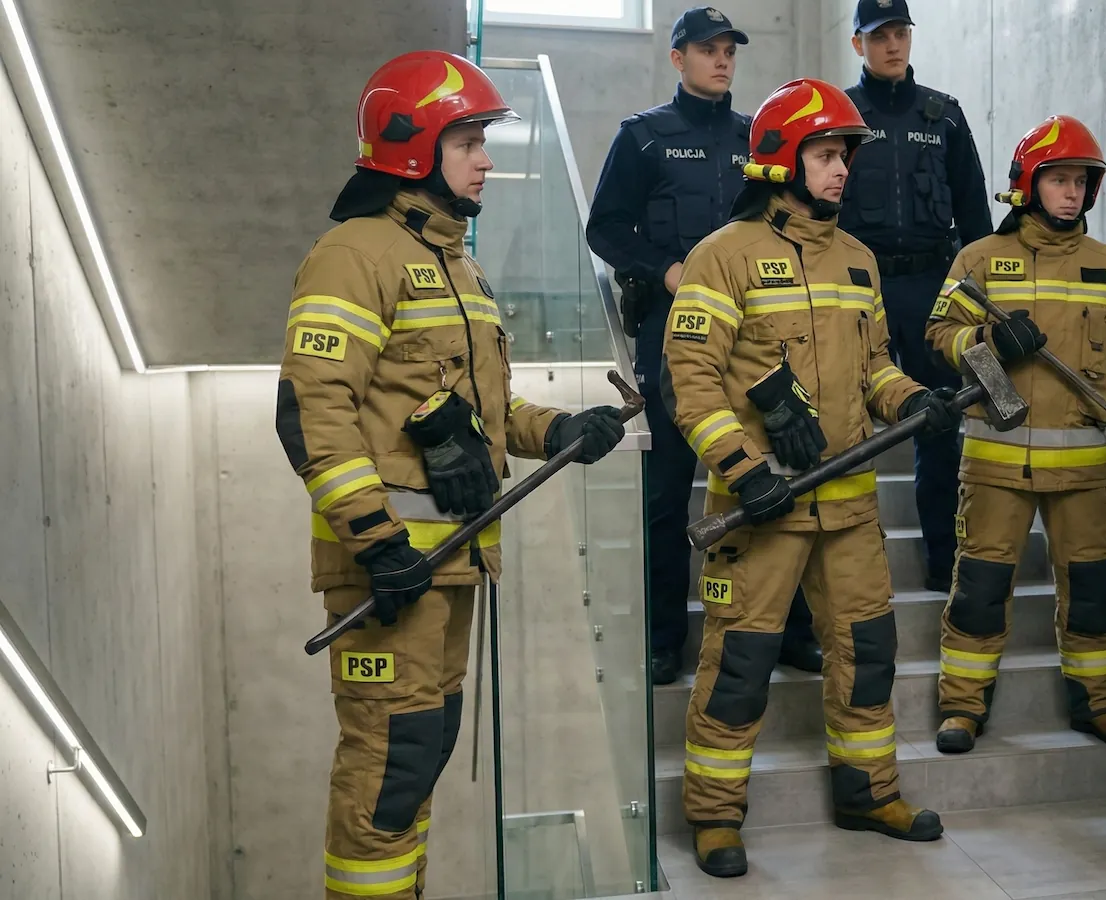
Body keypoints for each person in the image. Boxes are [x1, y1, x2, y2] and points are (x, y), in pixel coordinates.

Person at [275, 50, 627, 900]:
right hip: (391, 570)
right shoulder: (353, 255)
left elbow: (486, 409)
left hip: (452, 561)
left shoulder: (457, 265)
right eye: (467, 139)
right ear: (412, 147)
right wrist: (373, 538)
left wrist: (562, 428)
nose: (485, 159)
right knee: (388, 767)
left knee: (424, 748)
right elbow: (311, 412)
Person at [663, 76, 961, 877]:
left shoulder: (857, 260)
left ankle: (869, 792)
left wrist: (916, 400)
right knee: (740, 667)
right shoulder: (720, 257)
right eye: (827, 154)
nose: (842, 171)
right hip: (760, 508)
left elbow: (875, 370)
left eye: (845, 156)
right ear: (780, 161)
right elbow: (691, 381)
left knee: (867, 653)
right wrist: (741, 467)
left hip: (850, 507)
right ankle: (716, 815)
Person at [587, 6, 823, 686]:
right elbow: (606, 228)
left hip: (757, 330)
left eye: (729, 51)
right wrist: (663, 268)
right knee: (667, 492)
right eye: (707, 50)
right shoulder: (644, 138)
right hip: (673, 326)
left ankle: (789, 628)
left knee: (779, 466)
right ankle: (664, 638)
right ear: (677, 59)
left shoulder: (758, 138)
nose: (721, 61)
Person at [926, 116, 1106, 752]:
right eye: (1058, 179)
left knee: (1092, 592)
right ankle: (962, 708)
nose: (1070, 192)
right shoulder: (978, 260)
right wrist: (989, 342)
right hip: (995, 462)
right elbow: (939, 338)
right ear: (1027, 186)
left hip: (1083, 468)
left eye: (1081, 182)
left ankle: (1099, 705)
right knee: (979, 590)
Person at [838, 0, 992, 593]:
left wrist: (978, 293)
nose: (892, 44)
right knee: (848, 421)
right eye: (879, 36)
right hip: (860, 290)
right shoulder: (842, 116)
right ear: (859, 44)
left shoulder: (944, 116)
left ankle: (940, 562)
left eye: (900, 32)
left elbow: (976, 217)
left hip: (932, 288)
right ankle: (854, 566)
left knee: (938, 421)